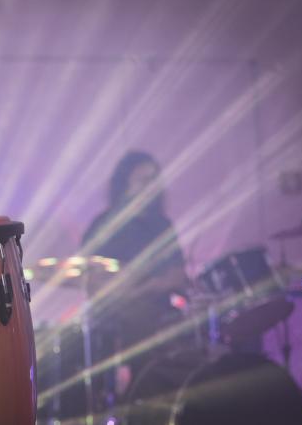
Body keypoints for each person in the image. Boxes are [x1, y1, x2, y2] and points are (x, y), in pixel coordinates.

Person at [80, 151, 191, 412]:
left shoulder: (161, 225)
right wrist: (125, 291)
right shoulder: (104, 225)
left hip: (160, 310)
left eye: (154, 179)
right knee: (136, 322)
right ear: (124, 184)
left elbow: (179, 275)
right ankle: (136, 399)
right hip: (116, 316)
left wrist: (149, 286)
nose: (150, 186)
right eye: (143, 180)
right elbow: (91, 282)